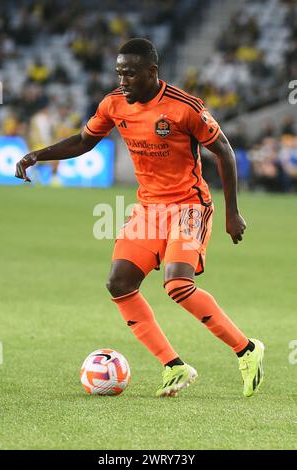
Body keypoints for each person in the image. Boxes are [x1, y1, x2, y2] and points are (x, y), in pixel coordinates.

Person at [15, 38, 264, 398]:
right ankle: (174, 367)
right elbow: (85, 141)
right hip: (149, 209)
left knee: (177, 285)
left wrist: (232, 213)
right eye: (119, 73)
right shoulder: (114, 104)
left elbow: (223, 150)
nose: (123, 81)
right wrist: (38, 154)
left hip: (189, 205)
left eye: (130, 74)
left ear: (152, 72)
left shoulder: (184, 107)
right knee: (119, 284)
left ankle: (247, 350)